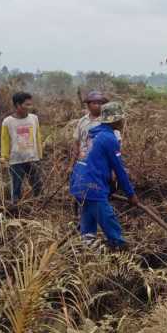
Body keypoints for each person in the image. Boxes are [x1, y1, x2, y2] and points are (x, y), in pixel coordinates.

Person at [69, 102, 138, 249]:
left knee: (88, 223)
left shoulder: (94, 134)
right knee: (108, 220)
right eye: (121, 119)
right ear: (115, 120)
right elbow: (119, 170)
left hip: (78, 182)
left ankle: (88, 251)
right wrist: (131, 194)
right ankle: (121, 251)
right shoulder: (109, 138)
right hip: (92, 185)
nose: (123, 122)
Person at [1, 92, 43, 203]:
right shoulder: (8, 122)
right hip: (16, 160)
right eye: (26, 105)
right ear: (17, 105)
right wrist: (4, 157)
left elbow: (37, 137)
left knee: (37, 184)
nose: (30, 107)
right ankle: (16, 208)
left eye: (30, 104)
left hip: (32, 157)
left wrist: (40, 154)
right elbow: (5, 141)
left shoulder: (34, 119)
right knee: (16, 187)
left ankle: (38, 205)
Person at [73, 90, 122, 161]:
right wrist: (75, 158)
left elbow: (117, 143)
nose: (98, 105)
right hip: (83, 159)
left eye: (100, 103)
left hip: (101, 161)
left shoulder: (109, 122)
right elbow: (76, 140)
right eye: (94, 103)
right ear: (88, 105)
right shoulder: (82, 121)